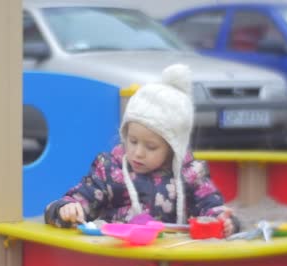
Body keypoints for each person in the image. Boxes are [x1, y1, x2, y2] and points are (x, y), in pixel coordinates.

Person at [44, 64, 240, 236]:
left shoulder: (190, 174)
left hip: (171, 258)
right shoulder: (111, 170)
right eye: (133, 141)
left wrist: (224, 222)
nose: (138, 152)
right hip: (120, 259)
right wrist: (65, 209)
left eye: (151, 146)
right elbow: (81, 199)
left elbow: (211, 207)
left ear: (173, 148)